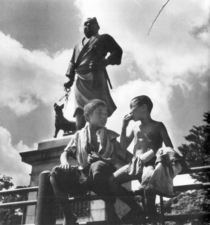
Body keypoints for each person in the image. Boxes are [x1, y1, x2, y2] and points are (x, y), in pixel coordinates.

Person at [50, 99, 122, 225]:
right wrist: (64, 162)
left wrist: (101, 159)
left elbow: (114, 159)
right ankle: (69, 215)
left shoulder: (111, 135)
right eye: (100, 113)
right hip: (83, 174)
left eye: (106, 114)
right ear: (88, 116)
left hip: (103, 173)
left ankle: (111, 211)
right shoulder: (79, 135)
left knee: (97, 167)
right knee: (55, 173)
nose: (104, 117)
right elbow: (65, 152)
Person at [109, 95, 174, 224]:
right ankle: (135, 208)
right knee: (112, 181)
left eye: (132, 108)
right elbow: (123, 146)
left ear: (144, 107)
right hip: (134, 164)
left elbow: (169, 146)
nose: (130, 112)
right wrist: (123, 126)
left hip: (149, 164)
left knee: (148, 183)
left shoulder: (158, 125)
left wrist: (159, 154)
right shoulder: (134, 128)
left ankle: (150, 213)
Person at [64, 17, 123, 130]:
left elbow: (117, 51)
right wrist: (70, 79)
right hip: (80, 79)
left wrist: (105, 62)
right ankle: (79, 133)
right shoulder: (77, 46)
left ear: (98, 26)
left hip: (96, 77)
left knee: (97, 106)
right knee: (79, 109)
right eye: (85, 24)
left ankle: (98, 133)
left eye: (90, 24)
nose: (87, 26)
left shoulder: (104, 38)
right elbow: (72, 62)